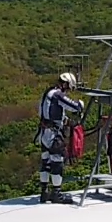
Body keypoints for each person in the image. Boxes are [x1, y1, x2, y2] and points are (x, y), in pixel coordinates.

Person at [36, 72, 85, 203]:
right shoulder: (57, 95)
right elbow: (74, 107)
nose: (68, 91)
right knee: (57, 162)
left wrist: (65, 121)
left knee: (45, 162)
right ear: (64, 84)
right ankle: (56, 193)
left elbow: (48, 112)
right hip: (53, 134)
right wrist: (80, 105)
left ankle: (44, 192)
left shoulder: (47, 93)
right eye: (68, 87)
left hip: (43, 132)